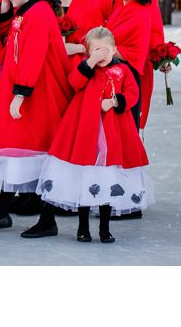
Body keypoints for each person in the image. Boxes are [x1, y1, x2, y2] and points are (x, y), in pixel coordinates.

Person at [32, 27, 153, 243]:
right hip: (86, 133)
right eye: (95, 51)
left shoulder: (123, 70)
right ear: (88, 53)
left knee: (106, 182)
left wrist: (115, 102)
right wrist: (89, 62)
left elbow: (133, 94)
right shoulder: (87, 70)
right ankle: (83, 228)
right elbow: (74, 82)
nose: (101, 55)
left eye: (105, 50)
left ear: (114, 49)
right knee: (86, 180)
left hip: (112, 132)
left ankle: (104, 229)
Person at [0, 0, 71, 236]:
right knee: (16, 148)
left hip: (40, 92)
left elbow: (32, 54)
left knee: (37, 150)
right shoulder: (27, 9)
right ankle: (1, 211)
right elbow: (13, 34)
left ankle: (47, 219)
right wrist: (6, 4)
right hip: (27, 88)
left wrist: (21, 93)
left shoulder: (40, 13)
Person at [105, 0, 157, 130]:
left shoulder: (141, 13)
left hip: (127, 81)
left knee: (123, 135)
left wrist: (103, 50)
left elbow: (136, 53)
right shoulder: (120, 4)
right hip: (112, 75)